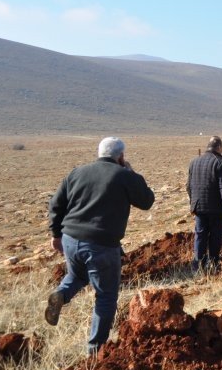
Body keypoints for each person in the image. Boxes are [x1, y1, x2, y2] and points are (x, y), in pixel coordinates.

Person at [46, 137, 154, 355]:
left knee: (77, 275)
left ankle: (60, 295)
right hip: (101, 245)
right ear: (121, 157)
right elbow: (147, 201)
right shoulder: (123, 175)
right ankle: (96, 351)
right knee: (105, 296)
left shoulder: (77, 172)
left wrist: (56, 234)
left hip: (70, 238)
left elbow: (56, 204)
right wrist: (132, 174)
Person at [187, 136, 222, 274]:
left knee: (200, 235)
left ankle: (197, 266)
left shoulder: (194, 162)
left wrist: (193, 203)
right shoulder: (220, 163)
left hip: (199, 207)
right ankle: (213, 264)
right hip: (216, 208)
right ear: (218, 147)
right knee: (215, 235)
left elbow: (188, 186)